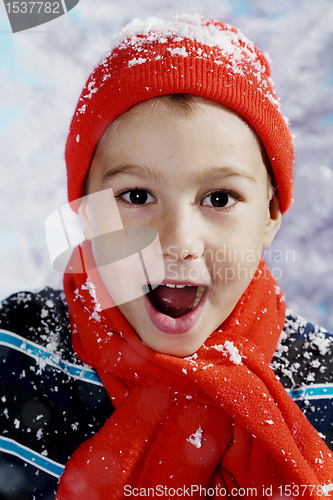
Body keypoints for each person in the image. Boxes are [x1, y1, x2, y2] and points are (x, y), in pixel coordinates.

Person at [1, 14, 333, 500]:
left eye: (218, 199)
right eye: (136, 196)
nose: (177, 241)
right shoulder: (14, 350)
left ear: (270, 216)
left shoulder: (321, 387)